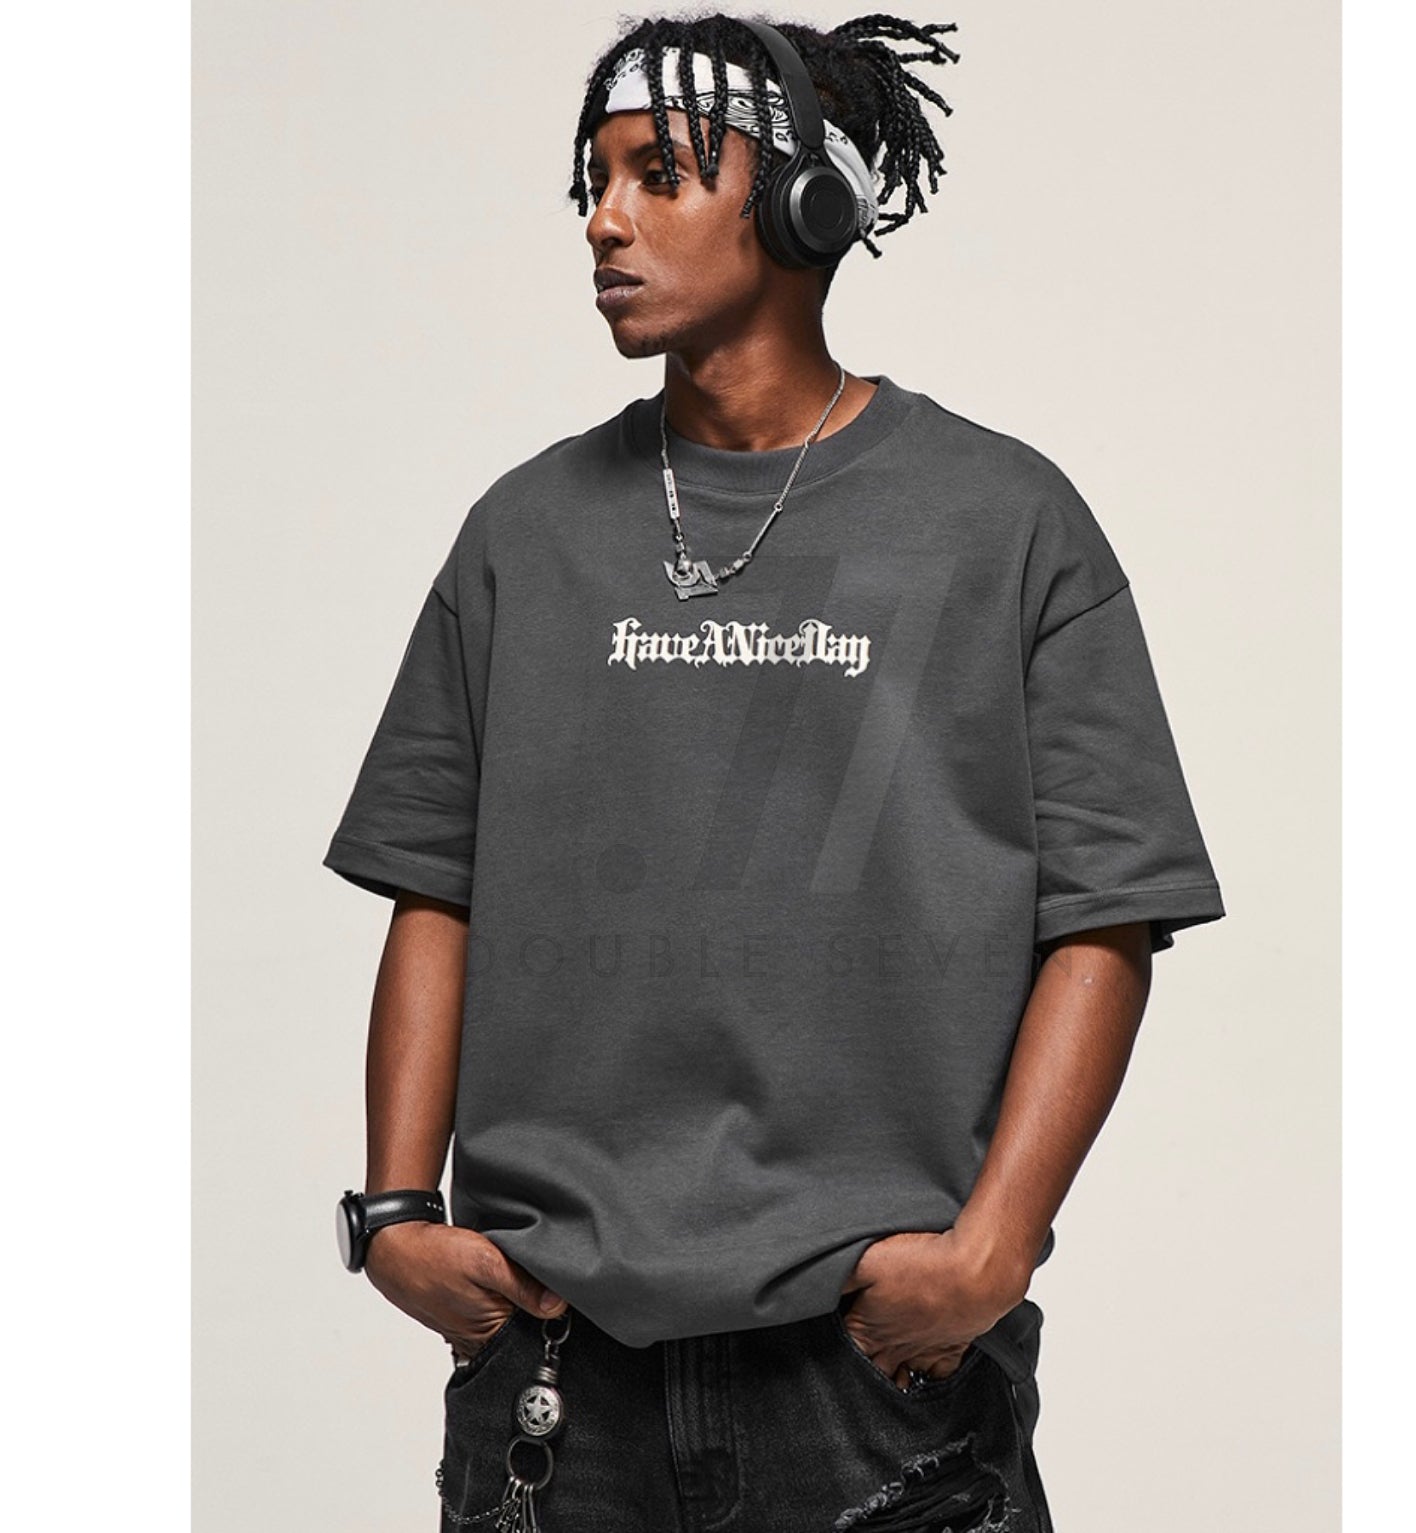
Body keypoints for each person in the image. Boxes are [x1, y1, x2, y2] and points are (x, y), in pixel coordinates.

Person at [324, 13, 1225, 1531]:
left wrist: (993, 1249)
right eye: (595, 182)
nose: (604, 221)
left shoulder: (1002, 521)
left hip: (875, 1374)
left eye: (659, 175)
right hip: (559, 1364)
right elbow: (435, 885)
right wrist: (397, 1213)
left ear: (808, 205)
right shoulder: (521, 536)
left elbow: (1107, 913)